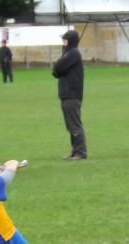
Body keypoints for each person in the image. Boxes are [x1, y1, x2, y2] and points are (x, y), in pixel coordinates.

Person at [52, 30, 87, 160]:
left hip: (72, 94)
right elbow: (56, 71)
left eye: (65, 40)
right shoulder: (69, 53)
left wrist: (58, 66)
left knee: (75, 125)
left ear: (70, 41)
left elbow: (57, 68)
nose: (63, 43)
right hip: (67, 94)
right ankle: (75, 151)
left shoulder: (73, 53)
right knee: (70, 125)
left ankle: (81, 152)